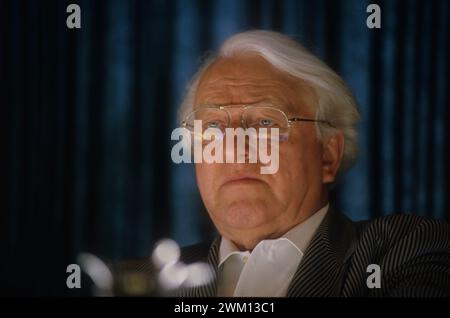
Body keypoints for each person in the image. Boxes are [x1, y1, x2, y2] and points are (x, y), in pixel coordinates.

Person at [117, 30, 450, 297]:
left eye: (265, 124)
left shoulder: (409, 252)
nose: (234, 147)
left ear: (327, 155)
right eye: (213, 127)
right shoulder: (141, 282)